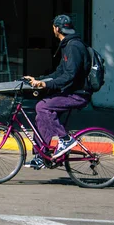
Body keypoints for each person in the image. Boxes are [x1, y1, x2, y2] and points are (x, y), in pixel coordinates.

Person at [23, 14, 92, 169]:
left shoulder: (73, 47)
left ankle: (65, 139)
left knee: (43, 107)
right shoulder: (68, 45)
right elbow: (59, 73)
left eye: (53, 27)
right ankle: (42, 156)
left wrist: (47, 85)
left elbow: (69, 76)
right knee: (42, 115)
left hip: (78, 94)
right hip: (71, 91)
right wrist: (39, 79)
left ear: (56, 28)